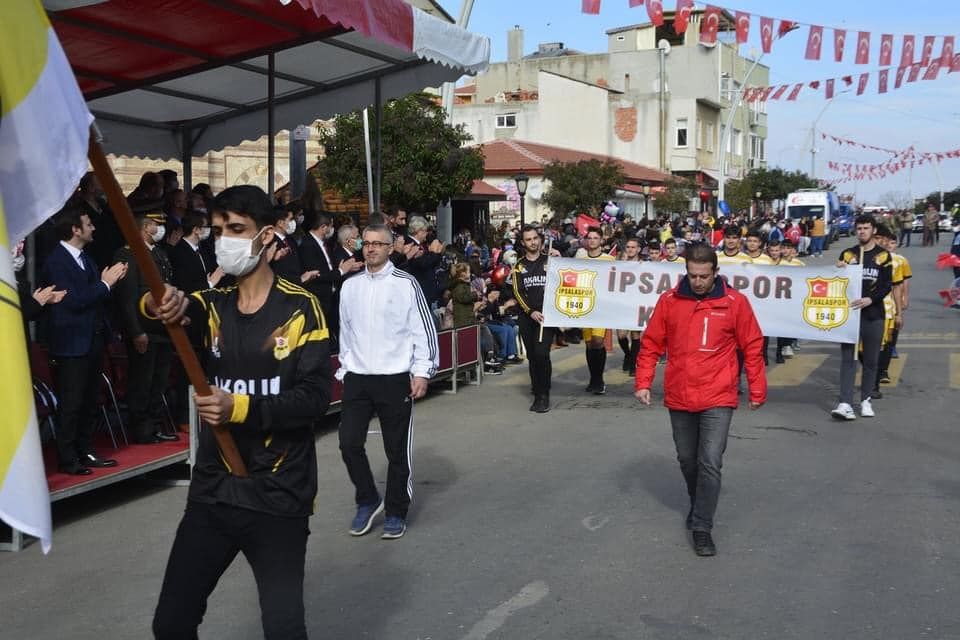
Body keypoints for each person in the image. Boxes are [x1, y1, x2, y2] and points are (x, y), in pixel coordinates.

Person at [147, 185, 332, 639]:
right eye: (216, 230)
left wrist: (239, 406)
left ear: (266, 236)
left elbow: (314, 399)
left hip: (278, 494)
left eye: (236, 229)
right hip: (214, 491)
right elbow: (177, 307)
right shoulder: (213, 305)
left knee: (285, 629)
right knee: (171, 623)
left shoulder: (302, 308)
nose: (224, 239)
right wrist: (155, 303)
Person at [634, 242, 766, 557]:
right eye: (692, 275)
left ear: (715, 273)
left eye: (704, 276)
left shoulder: (735, 303)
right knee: (687, 459)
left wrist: (757, 389)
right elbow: (651, 343)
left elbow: (752, 345)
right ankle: (699, 503)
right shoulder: (669, 301)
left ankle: (702, 526)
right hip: (680, 393)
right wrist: (643, 382)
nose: (698, 282)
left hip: (718, 393)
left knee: (710, 460)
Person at [337, 224, 439, 540]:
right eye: (366, 244)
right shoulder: (349, 286)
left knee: (396, 450)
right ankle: (368, 498)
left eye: (378, 244)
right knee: (348, 442)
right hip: (358, 377)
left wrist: (423, 371)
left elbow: (424, 330)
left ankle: (396, 511)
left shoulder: (405, 284)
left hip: (394, 378)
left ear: (389, 247)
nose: (371, 249)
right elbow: (346, 332)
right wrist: (345, 368)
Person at [42, 208, 127, 474]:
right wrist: (105, 284)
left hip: (93, 339)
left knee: (90, 399)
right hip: (71, 342)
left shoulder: (87, 259)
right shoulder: (56, 261)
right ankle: (68, 458)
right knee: (72, 401)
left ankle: (86, 449)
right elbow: (74, 300)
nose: (93, 228)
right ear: (75, 229)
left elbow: (97, 297)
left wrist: (107, 285)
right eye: (88, 223)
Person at [112, 204, 179, 444]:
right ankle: (142, 429)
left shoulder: (158, 253)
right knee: (142, 381)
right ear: (145, 227)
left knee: (158, 381)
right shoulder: (129, 253)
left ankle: (155, 425)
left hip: (162, 328)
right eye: (156, 224)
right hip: (144, 330)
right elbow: (127, 300)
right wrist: (136, 332)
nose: (160, 228)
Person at [831, 215, 893, 420]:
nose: (862, 231)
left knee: (871, 360)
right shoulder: (848, 254)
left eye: (866, 228)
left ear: (873, 230)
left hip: (873, 314)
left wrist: (870, 299)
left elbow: (886, 286)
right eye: (859, 228)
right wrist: (837, 270)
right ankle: (845, 402)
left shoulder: (883, 255)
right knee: (848, 359)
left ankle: (866, 399)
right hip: (849, 316)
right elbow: (836, 282)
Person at [511, 225, 555, 413]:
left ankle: (543, 394)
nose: (533, 242)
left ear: (540, 239)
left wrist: (559, 260)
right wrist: (530, 311)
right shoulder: (518, 266)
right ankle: (537, 388)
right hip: (528, 317)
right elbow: (518, 292)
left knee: (542, 353)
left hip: (547, 317)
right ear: (523, 243)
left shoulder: (550, 260)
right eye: (528, 239)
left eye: (535, 238)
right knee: (532, 356)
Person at [300, 211, 363, 342]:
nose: (332, 230)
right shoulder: (308, 245)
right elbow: (317, 275)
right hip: (320, 299)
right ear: (324, 227)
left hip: (330, 297)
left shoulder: (324, 244)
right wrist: (341, 270)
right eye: (331, 226)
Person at [581, 227, 616, 394]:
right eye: (590, 238)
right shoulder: (580, 259)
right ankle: (593, 378)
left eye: (596, 237)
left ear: (601, 240)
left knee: (597, 341)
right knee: (588, 345)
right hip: (585, 306)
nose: (592, 240)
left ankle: (599, 379)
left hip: (602, 307)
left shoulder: (609, 259)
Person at [616, 237, 643, 375]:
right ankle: (628, 354)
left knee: (635, 335)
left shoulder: (644, 265)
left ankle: (633, 364)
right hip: (623, 303)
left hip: (637, 303)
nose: (630, 249)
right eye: (628, 247)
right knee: (621, 335)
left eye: (633, 247)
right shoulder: (621, 264)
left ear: (638, 249)